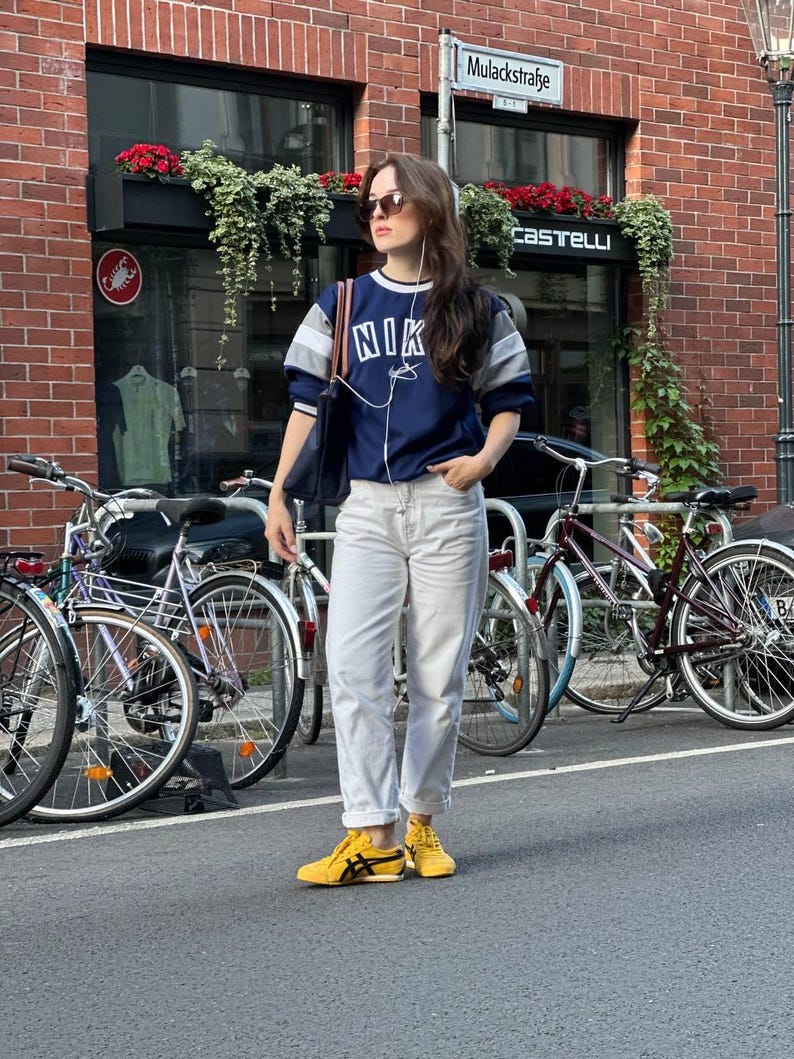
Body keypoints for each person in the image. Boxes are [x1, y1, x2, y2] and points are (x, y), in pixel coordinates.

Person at [266, 153, 534, 886]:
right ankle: (370, 832)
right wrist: (280, 495)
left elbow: (509, 400)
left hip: (448, 502)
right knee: (354, 668)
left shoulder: (477, 307)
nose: (379, 214)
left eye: (394, 201)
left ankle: (421, 821)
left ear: (431, 207)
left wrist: (484, 460)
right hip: (368, 507)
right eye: (371, 205)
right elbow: (305, 404)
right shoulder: (342, 302)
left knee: (438, 674)